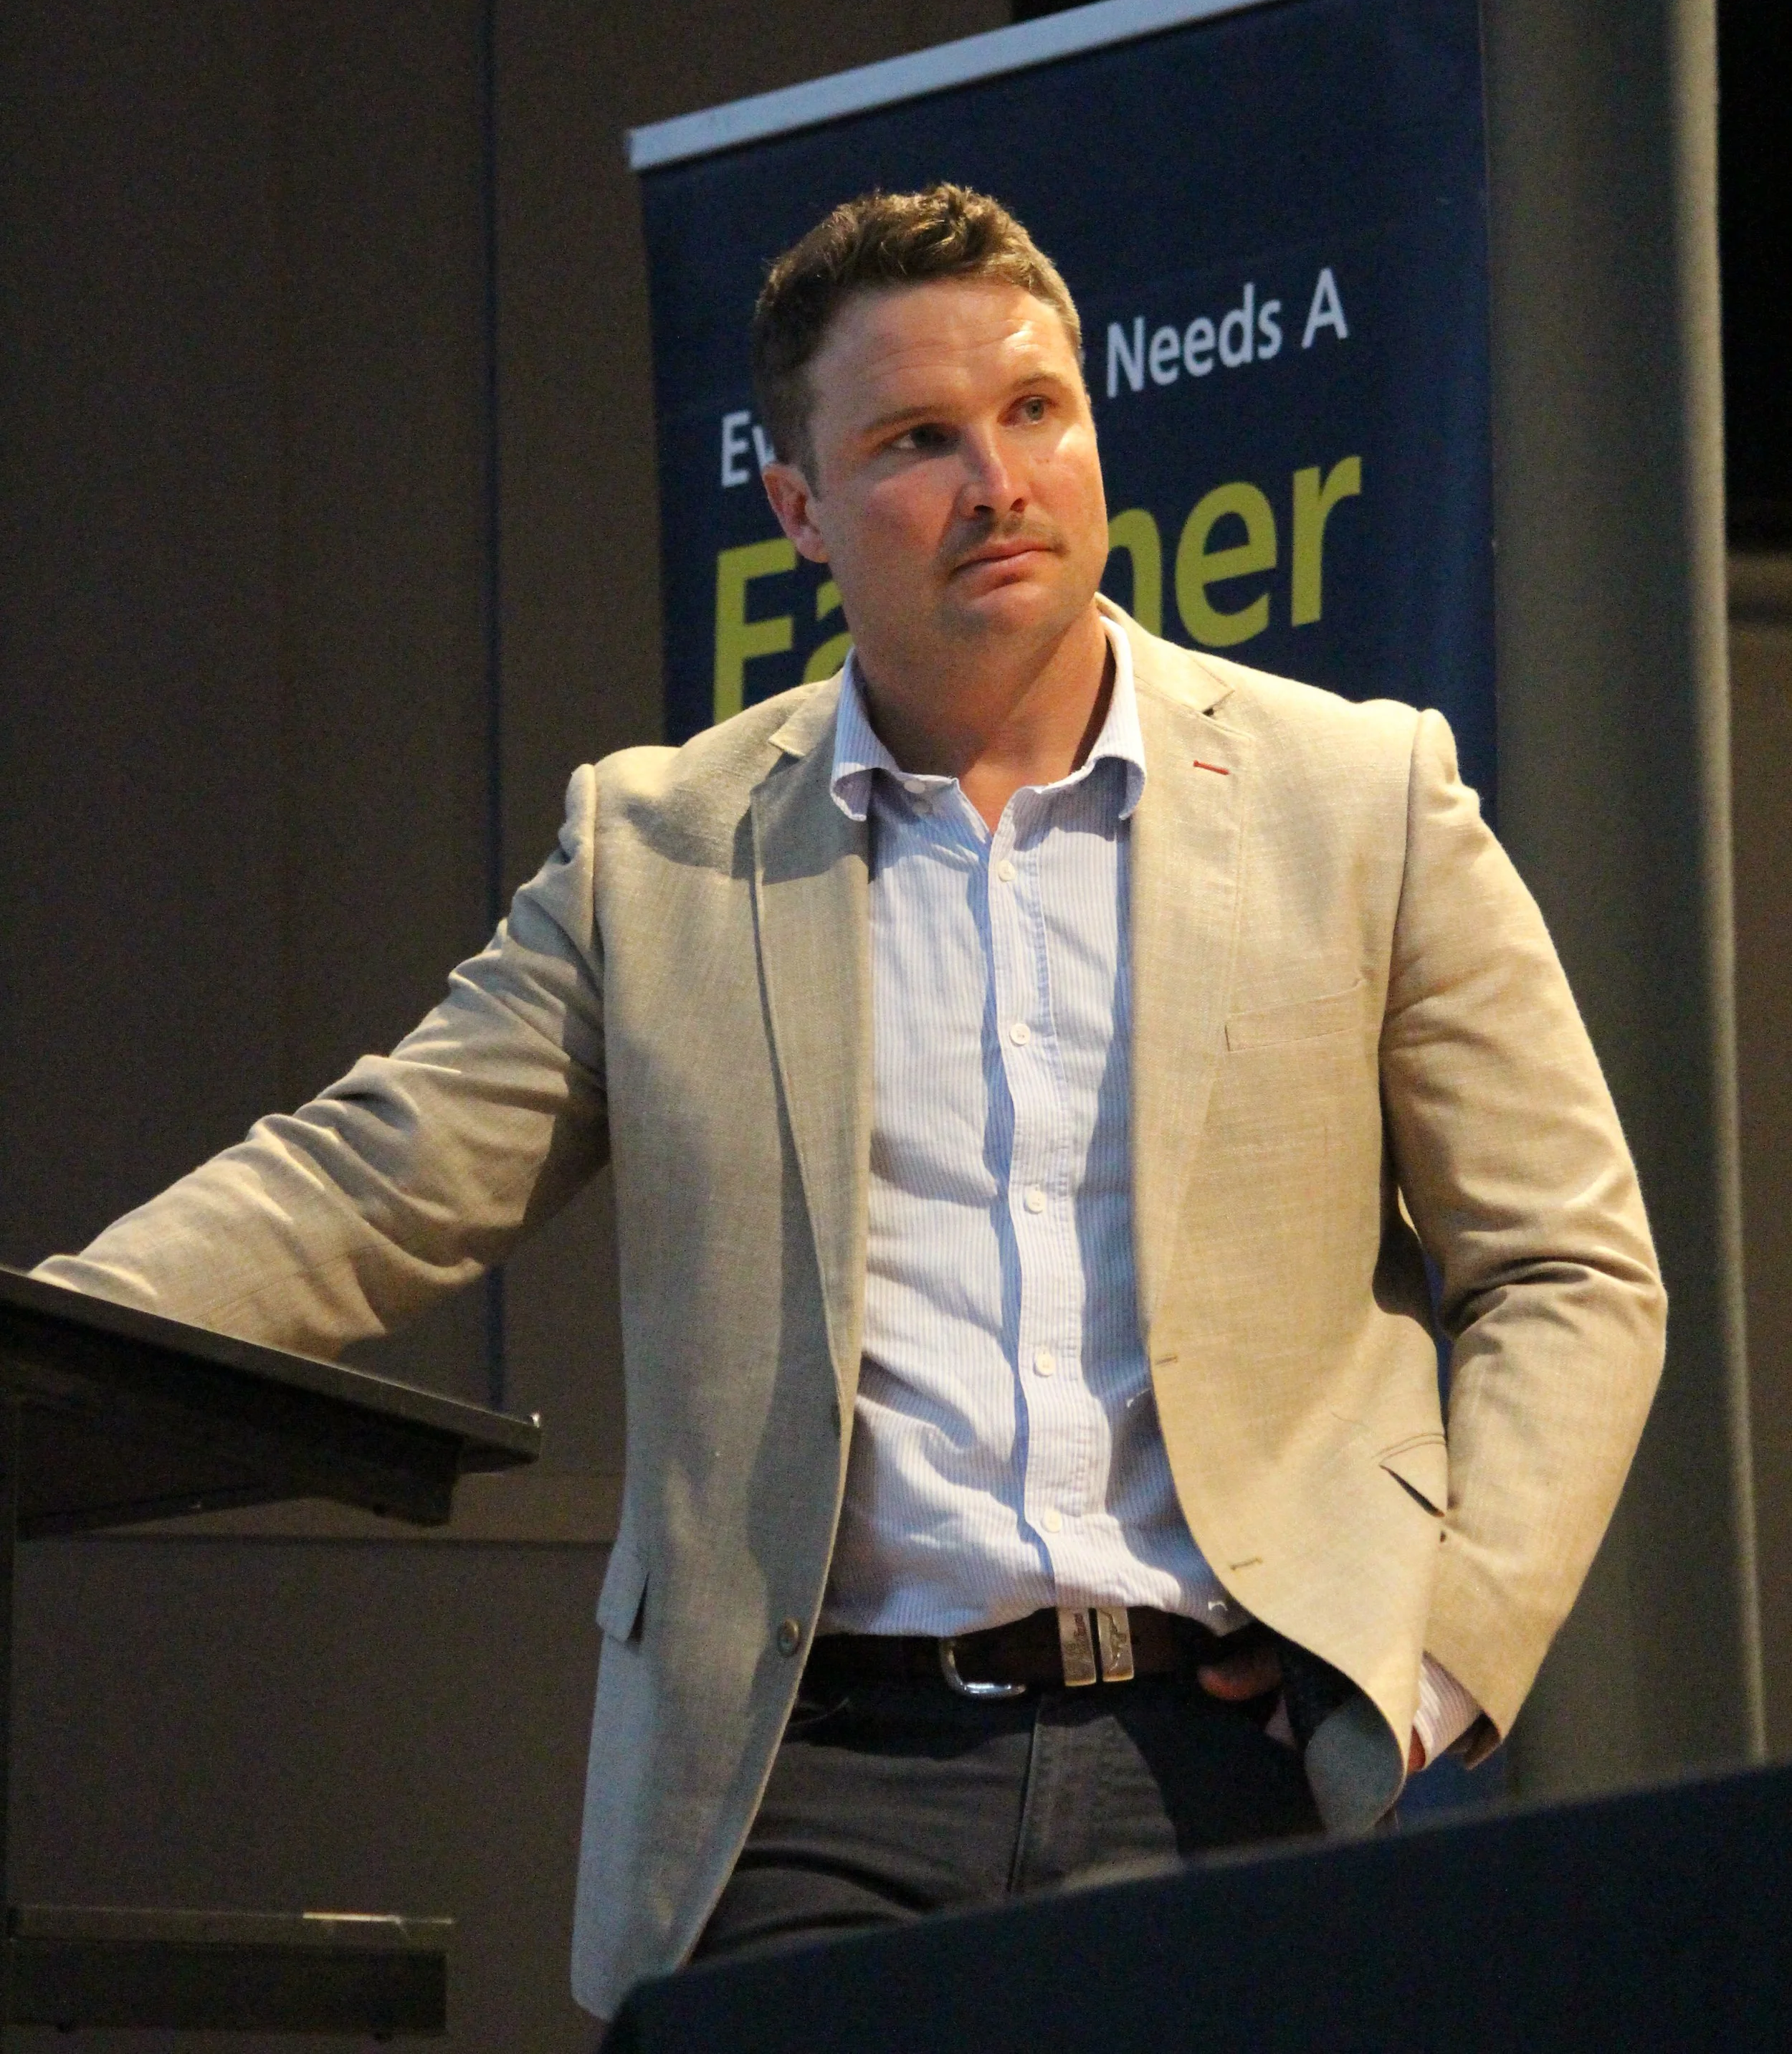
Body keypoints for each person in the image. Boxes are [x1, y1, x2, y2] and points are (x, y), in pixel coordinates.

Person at [34, 184, 1666, 2025]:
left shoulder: (1355, 796)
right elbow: (373, 1180)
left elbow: (1569, 1270)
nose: (996, 479)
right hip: (806, 1789)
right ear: (799, 509)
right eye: (915, 442)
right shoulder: (658, 851)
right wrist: (50, 1352)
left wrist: (1430, 1652)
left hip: (1231, 1763)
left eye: (1035, 413)